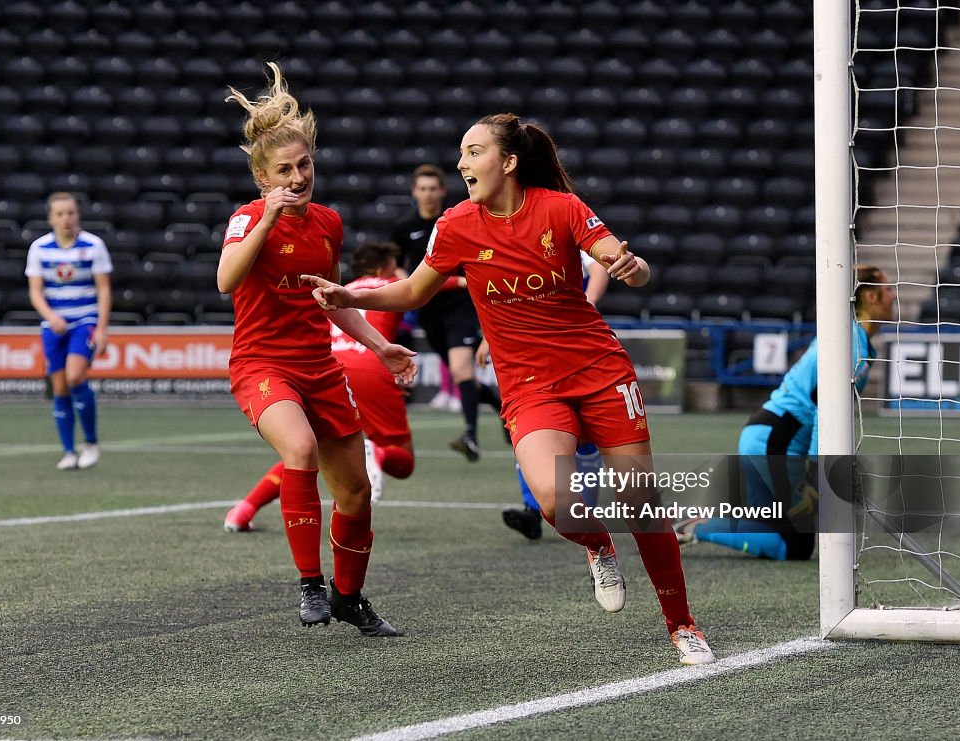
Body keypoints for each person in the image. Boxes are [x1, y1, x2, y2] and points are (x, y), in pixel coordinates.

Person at [303, 113, 715, 665]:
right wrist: (349, 297)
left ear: (509, 161)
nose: (461, 163)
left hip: (600, 370)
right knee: (555, 502)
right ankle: (598, 545)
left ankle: (683, 626)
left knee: (640, 501)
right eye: (461, 153)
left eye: (473, 152)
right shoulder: (454, 224)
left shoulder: (562, 208)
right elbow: (412, 292)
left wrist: (632, 268)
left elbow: (622, 261)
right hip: (529, 385)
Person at [219, 63, 416, 637]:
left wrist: (382, 347)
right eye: (284, 170)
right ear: (262, 178)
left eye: (304, 164)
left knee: (355, 492)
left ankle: (349, 597)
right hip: (262, 365)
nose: (298, 176)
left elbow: (331, 300)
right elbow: (227, 280)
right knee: (299, 449)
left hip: (320, 368)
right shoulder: (247, 218)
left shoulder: (328, 222)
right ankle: (310, 584)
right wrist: (267, 220)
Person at [675, 264, 896, 560]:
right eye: (888, 290)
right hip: (776, 443)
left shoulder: (850, 340)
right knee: (796, 547)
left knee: (770, 529)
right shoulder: (851, 347)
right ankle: (696, 526)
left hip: (764, 434)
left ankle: (685, 524)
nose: (894, 296)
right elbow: (825, 410)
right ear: (870, 297)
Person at [223, 242, 416, 530]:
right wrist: (462, 279)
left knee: (309, 452)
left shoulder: (342, 286)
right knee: (403, 462)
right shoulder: (391, 283)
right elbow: (424, 286)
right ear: (382, 268)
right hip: (370, 363)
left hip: (332, 363)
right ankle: (376, 452)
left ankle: (244, 509)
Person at [480, 252, 609, 539]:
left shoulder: (563, 225)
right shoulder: (509, 243)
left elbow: (598, 267)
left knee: (585, 438)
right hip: (530, 358)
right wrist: (489, 337)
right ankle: (532, 511)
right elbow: (508, 298)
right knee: (528, 433)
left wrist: (588, 301)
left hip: (575, 347)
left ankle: (585, 516)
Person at [391, 164, 503, 460]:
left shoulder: (453, 223)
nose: (428, 194)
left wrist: (463, 281)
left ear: (441, 191)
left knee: (461, 369)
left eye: (433, 188)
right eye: (422, 189)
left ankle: (471, 436)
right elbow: (397, 264)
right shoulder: (404, 228)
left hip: (459, 307)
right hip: (428, 311)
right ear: (415, 192)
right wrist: (405, 277)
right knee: (462, 374)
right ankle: (501, 408)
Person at [25, 192, 111, 471]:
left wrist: (101, 329)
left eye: (71, 213)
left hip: (84, 321)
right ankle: (68, 451)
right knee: (59, 386)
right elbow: (36, 292)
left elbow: (103, 289)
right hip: (53, 326)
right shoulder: (39, 248)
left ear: (78, 215)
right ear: (51, 218)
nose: (66, 218)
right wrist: (50, 316)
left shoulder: (93, 246)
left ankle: (91, 442)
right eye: (60, 214)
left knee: (75, 376)